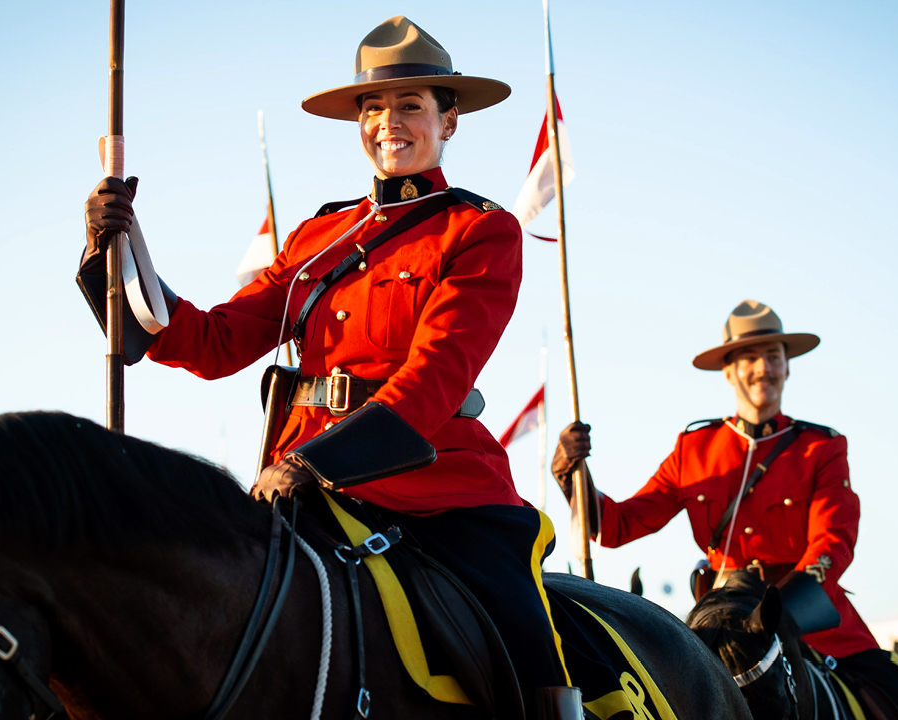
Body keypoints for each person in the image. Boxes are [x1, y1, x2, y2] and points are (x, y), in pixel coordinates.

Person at [76, 16, 580, 719]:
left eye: (411, 106)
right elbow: (215, 341)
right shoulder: (322, 235)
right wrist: (119, 250)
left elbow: (435, 379)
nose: (389, 122)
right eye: (373, 107)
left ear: (450, 120)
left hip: (437, 489)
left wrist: (317, 462)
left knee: (525, 640)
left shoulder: (480, 230)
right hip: (299, 490)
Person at [554, 299, 898, 719]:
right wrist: (574, 477)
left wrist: (779, 612)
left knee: (896, 693)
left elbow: (832, 543)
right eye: (750, 358)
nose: (763, 368)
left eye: (774, 356)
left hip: (805, 611)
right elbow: (616, 526)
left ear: (787, 366)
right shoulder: (694, 448)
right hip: (720, 621)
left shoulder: (821, 447)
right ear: (729, 372)